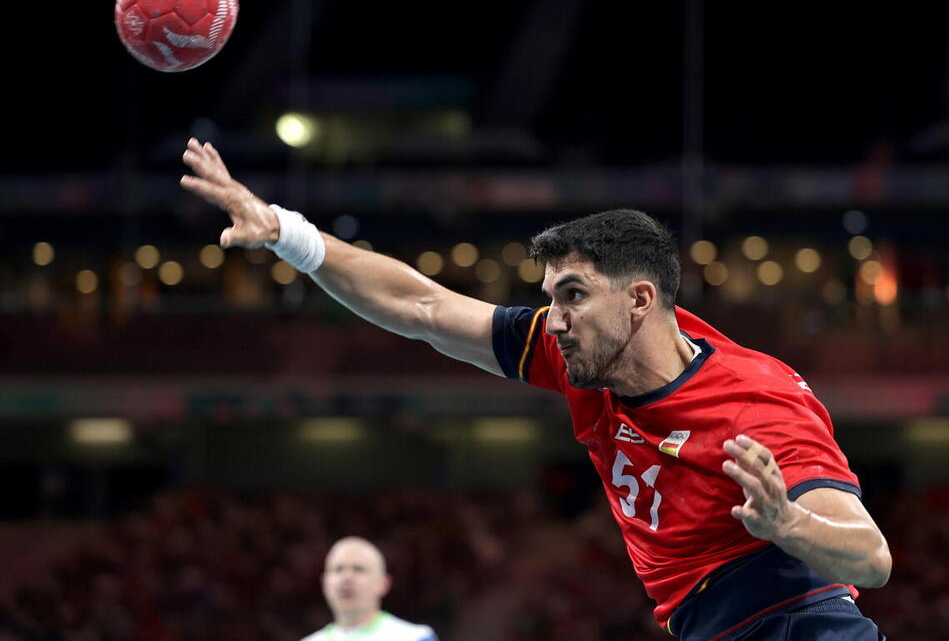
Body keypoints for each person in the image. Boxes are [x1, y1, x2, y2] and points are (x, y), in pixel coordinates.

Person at [181, 139, 892, 640]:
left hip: (803, 626)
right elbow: (422, 306)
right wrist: (286, 233)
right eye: (549, 296)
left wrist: (788, 525)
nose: (553, 318)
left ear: (639, 300)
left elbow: (872, 558)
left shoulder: (757, 399)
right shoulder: (569, 350)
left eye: (574, 294)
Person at [302, 536, 438, 641]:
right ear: (325, 582)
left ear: (383, 583)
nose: (347, 577)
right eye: (338, 569)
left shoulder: (415, 637)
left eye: (359, 569)